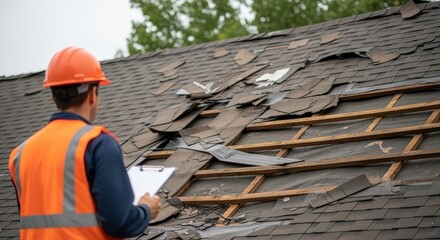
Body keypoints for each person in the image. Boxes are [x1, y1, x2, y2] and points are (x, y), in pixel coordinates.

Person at [8, 47, 161, 239]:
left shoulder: (20, 154)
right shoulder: (97, 143)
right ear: (92, 93)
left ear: (53, 97)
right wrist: (146, 209)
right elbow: (121, 222)